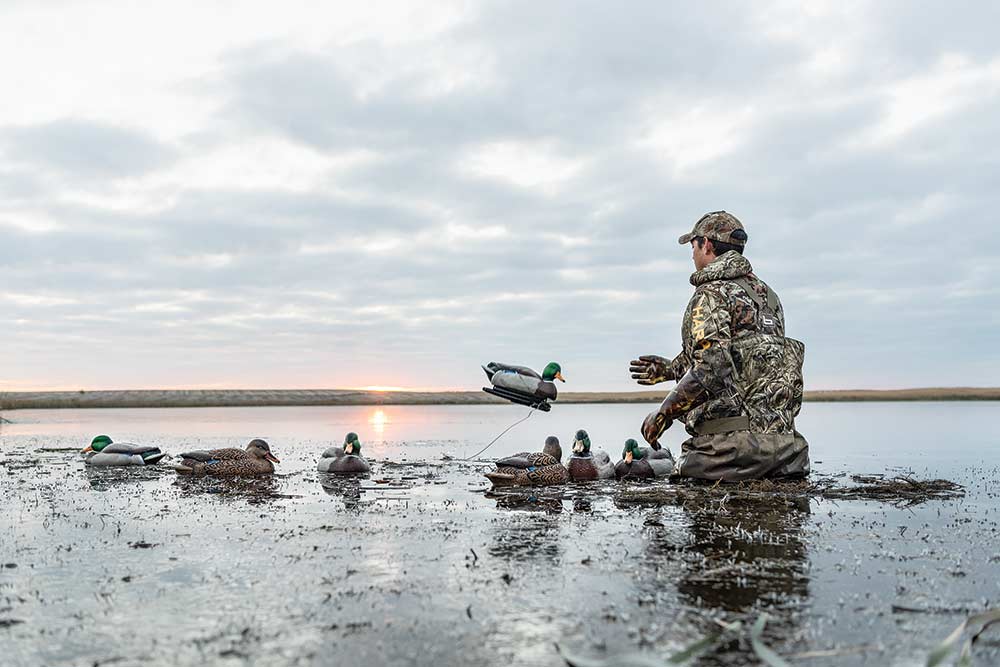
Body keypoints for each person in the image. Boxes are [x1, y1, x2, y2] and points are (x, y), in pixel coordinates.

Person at [629, 211, 809, 481]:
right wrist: (671, 368)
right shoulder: (769, 298)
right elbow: (745, 358)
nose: (692, 255)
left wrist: (662, 414)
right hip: (787, 453)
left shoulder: (711, 293)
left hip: (727, 456)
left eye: (693, 246)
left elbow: (712, 367)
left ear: (707, 245)